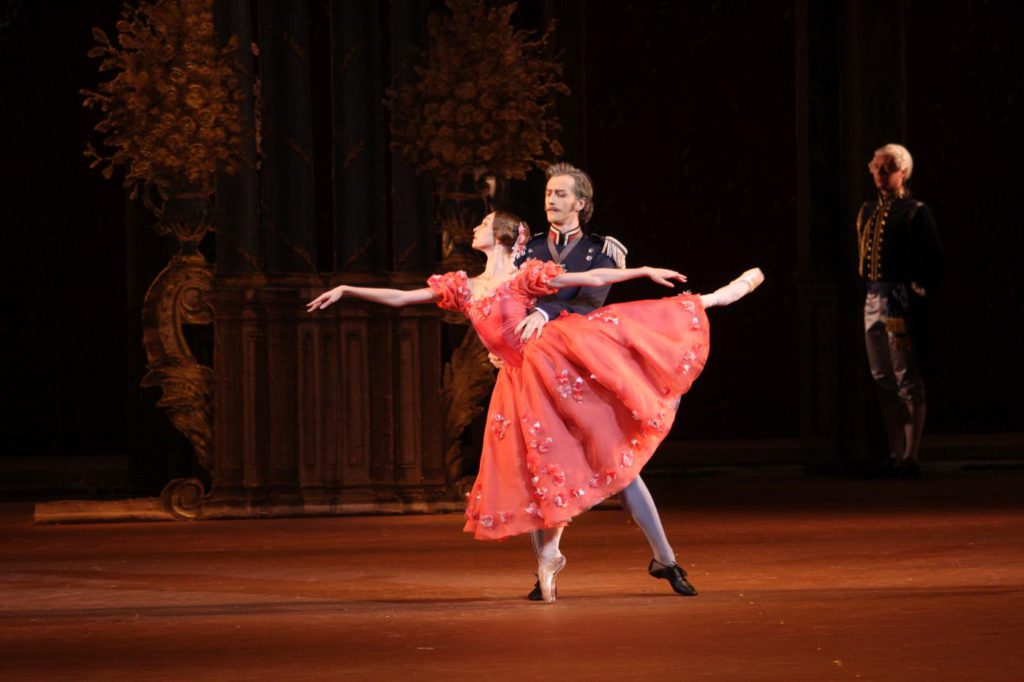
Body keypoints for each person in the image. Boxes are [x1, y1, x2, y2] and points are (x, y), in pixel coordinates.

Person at [308, 210, 763, 603]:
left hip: (559, 362)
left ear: (502, 237)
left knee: (620, 434)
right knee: (537, 468)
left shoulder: (525, 277)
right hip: (520, 384)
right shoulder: (463, 287)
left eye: (484, 224)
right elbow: (405, 297)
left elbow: (590, 278)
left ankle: (710, 299)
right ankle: (548, 561)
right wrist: (348, 288)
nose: (475, 229)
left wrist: (641, 270)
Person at [509, 163, 696, 601]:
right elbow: (509, 301)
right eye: (548, 193)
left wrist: (544, 312)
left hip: (582, 370)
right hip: (537, 373)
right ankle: (544, 571)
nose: (551, 200)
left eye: (560, 194)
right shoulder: (527, 249)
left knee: (621, 467)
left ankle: (664, 559)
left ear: (581, 203)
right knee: (542, 467)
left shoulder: (603, 251)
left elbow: (589, 303)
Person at [856, 143, 942, 478]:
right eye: (876, 167)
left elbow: (933, 261)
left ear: (902, 170)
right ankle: (895, 452)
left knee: (907, 378)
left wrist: (917, 293)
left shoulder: (914, 211)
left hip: (898, 302)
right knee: (882, 379)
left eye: (886, 167)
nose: (879, 173)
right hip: (872, 299)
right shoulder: (867, 211)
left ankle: (911, 454)